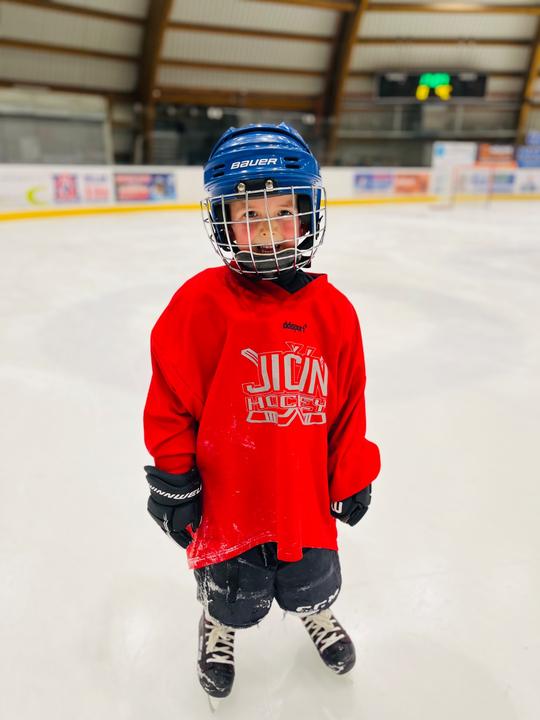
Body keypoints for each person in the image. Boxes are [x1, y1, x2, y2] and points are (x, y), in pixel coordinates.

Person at [143, 123, 381, 702]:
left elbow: (347, 404)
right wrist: (175, 480)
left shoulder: (335, 312)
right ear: (223, 221)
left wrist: (351, 471)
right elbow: (171, 401)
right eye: (249, 215)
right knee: (232, 589)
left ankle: (316, 612)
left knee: (311, 577)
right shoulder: (200, 304)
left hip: (304, 495)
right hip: (230, 497)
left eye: (283, 213)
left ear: (308, 215)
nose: (269, 231)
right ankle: (217, 625)